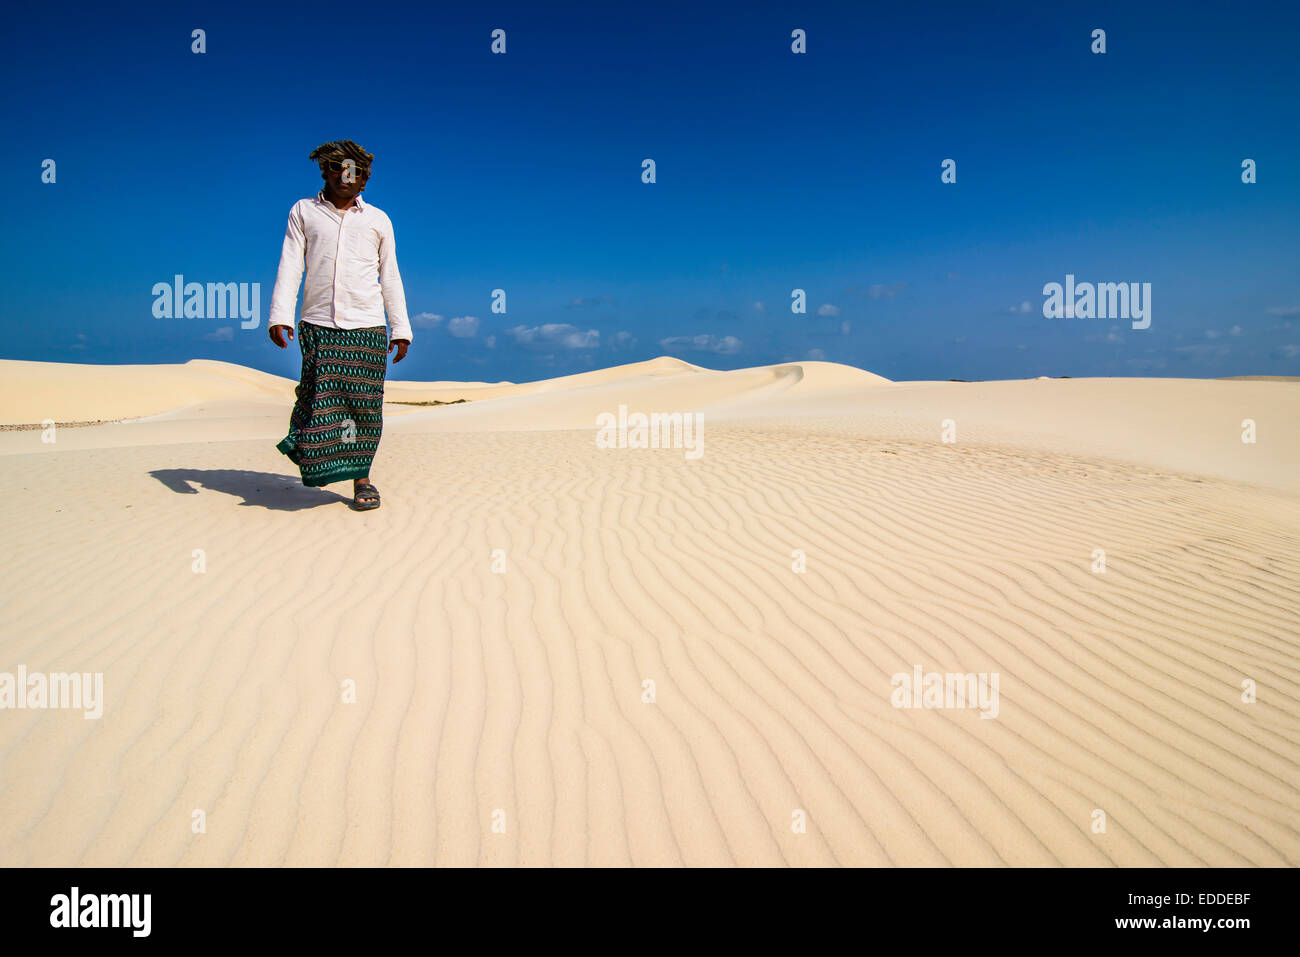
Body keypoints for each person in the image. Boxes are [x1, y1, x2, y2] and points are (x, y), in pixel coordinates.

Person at [267, 139, 413, 510]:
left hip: (368, 327)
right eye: (338, 169)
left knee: (364, 407)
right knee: (319, 400)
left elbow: (390, 276)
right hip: (317, 324)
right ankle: (312, 454)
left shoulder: (378, 219)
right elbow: (290, 265)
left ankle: (361, 478)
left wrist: (401, 328)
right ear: (326, 172)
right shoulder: (303, 211)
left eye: (355, 171)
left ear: (364, 179)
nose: (346, 176)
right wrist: (280, 316)